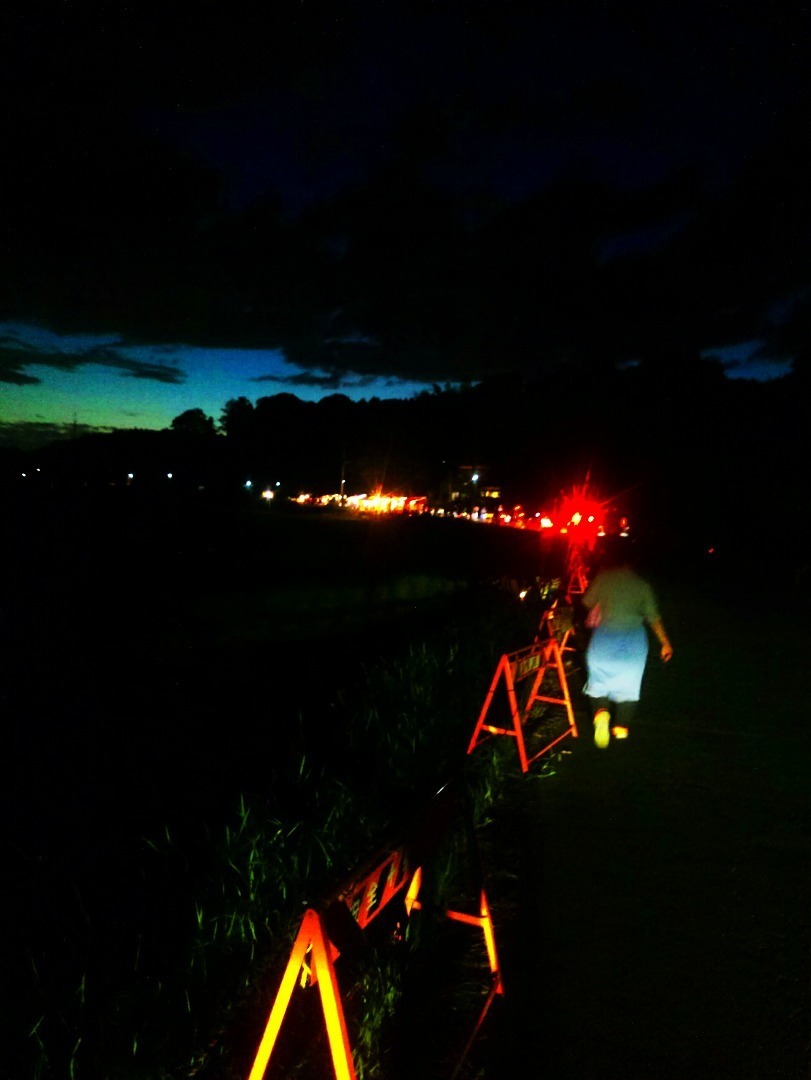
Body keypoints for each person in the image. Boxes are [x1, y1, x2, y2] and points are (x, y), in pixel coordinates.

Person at [581, 539, 673, 748]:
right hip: (633, 645)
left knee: (598, 685)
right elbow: (654, 618)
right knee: (629, 687)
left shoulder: (604, 578)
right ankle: (621, 729)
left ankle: (601, 715)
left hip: (603, 640)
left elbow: (586, 602)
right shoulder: (642, 586)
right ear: (635, 561)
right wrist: (665, 643)